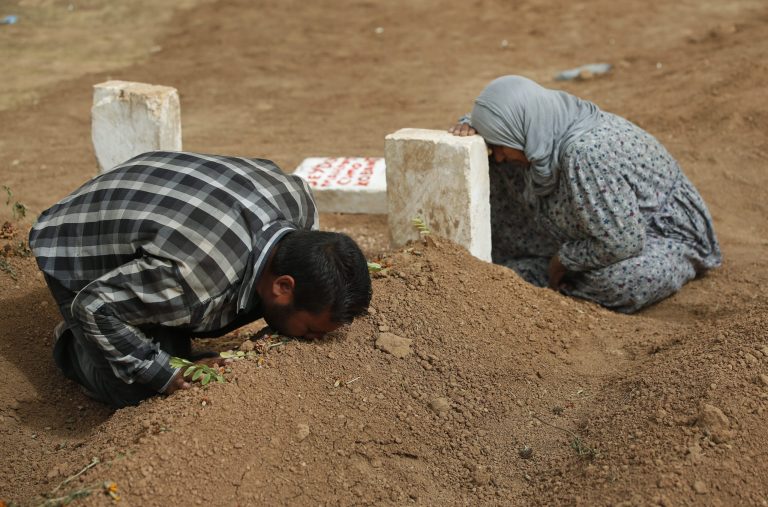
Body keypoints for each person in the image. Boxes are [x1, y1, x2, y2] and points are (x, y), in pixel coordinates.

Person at [30, 151, 372, 408]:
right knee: (137, 387)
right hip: (72, 243)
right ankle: (74, 346)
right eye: (312, 330)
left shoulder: (300, 202)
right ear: (284, 286)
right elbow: (93, 305)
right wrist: (164, 373)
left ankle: (149, 313)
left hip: (153, 194)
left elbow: (260, 167)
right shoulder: (196, 280)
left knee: (226, 311)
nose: (312, 340)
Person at [449, 75, 721, 313]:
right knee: (498, 170)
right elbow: (503, 132)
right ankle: (534, 268)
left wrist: (562, 260)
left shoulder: (584, 154)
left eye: (500, 144)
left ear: (520, 127)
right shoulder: (544, 125)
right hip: (598, 224)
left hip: (656, 235)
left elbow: (623, 242)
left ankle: (551, 277)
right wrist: (474, 131)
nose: (498, 155)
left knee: (621, 281)